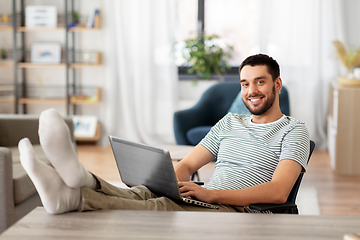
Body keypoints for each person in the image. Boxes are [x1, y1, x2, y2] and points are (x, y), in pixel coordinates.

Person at [18, 54, 310, 214]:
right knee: (145, 193)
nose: (251, 91)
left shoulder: (293, 130)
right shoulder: (231, 121)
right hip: (209, 198)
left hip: (241, 211)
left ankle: (75, 197)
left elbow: (278, 191)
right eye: (245, 84)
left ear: (277, 84)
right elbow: (187, 166)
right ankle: (81, 181)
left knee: (159, 207)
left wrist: (211, 193)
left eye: (260, 82)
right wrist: (163, 179)